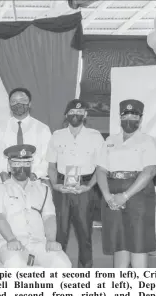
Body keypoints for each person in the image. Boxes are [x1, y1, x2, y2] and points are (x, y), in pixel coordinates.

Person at [96, 99, 156, 268]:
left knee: (138, 242)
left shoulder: (147, 141)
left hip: (138, 194)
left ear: (140, 118)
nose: (130, 118)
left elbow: (150, 171)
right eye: (126, 115)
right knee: (119, 241)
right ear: (120, 117)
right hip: (111, 193)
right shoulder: (110, 140)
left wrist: (125, 196)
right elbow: (101, 170)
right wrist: (107, 196)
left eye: (134, 115)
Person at [0, 144, 71, 268]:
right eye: (16, 164)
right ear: (9, 166)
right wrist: (11, 239)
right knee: (16, 263)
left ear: (31, 165)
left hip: (38, 244)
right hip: (10, 244)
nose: (22, 167)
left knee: (63, 264)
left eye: (26, 163)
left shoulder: (43, 189)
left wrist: (50, 240)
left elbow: (49, 217)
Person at [46, 100, 104, 268]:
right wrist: (55, 185)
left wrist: (89, 186)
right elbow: (50, 166)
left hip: (85, 187)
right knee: (60, 233)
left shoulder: (95, 136)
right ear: (66, 115)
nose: (76, 115)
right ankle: (57, 268)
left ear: (85, 114)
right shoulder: (57, 135)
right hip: (62, 187)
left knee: (84, 233)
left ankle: (85, 271)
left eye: (80, 112)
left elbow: (101, 167)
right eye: (72, 112)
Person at [0, 88, 52, 181]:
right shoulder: (0, 129)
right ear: (9, 105)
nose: (18, 104)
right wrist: (2, 173)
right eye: (14, 101)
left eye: (22, 100)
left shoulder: (43, 129)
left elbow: (48, 159)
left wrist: (35, 174)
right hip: (6, 181)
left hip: (35, 181)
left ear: (30, 103)